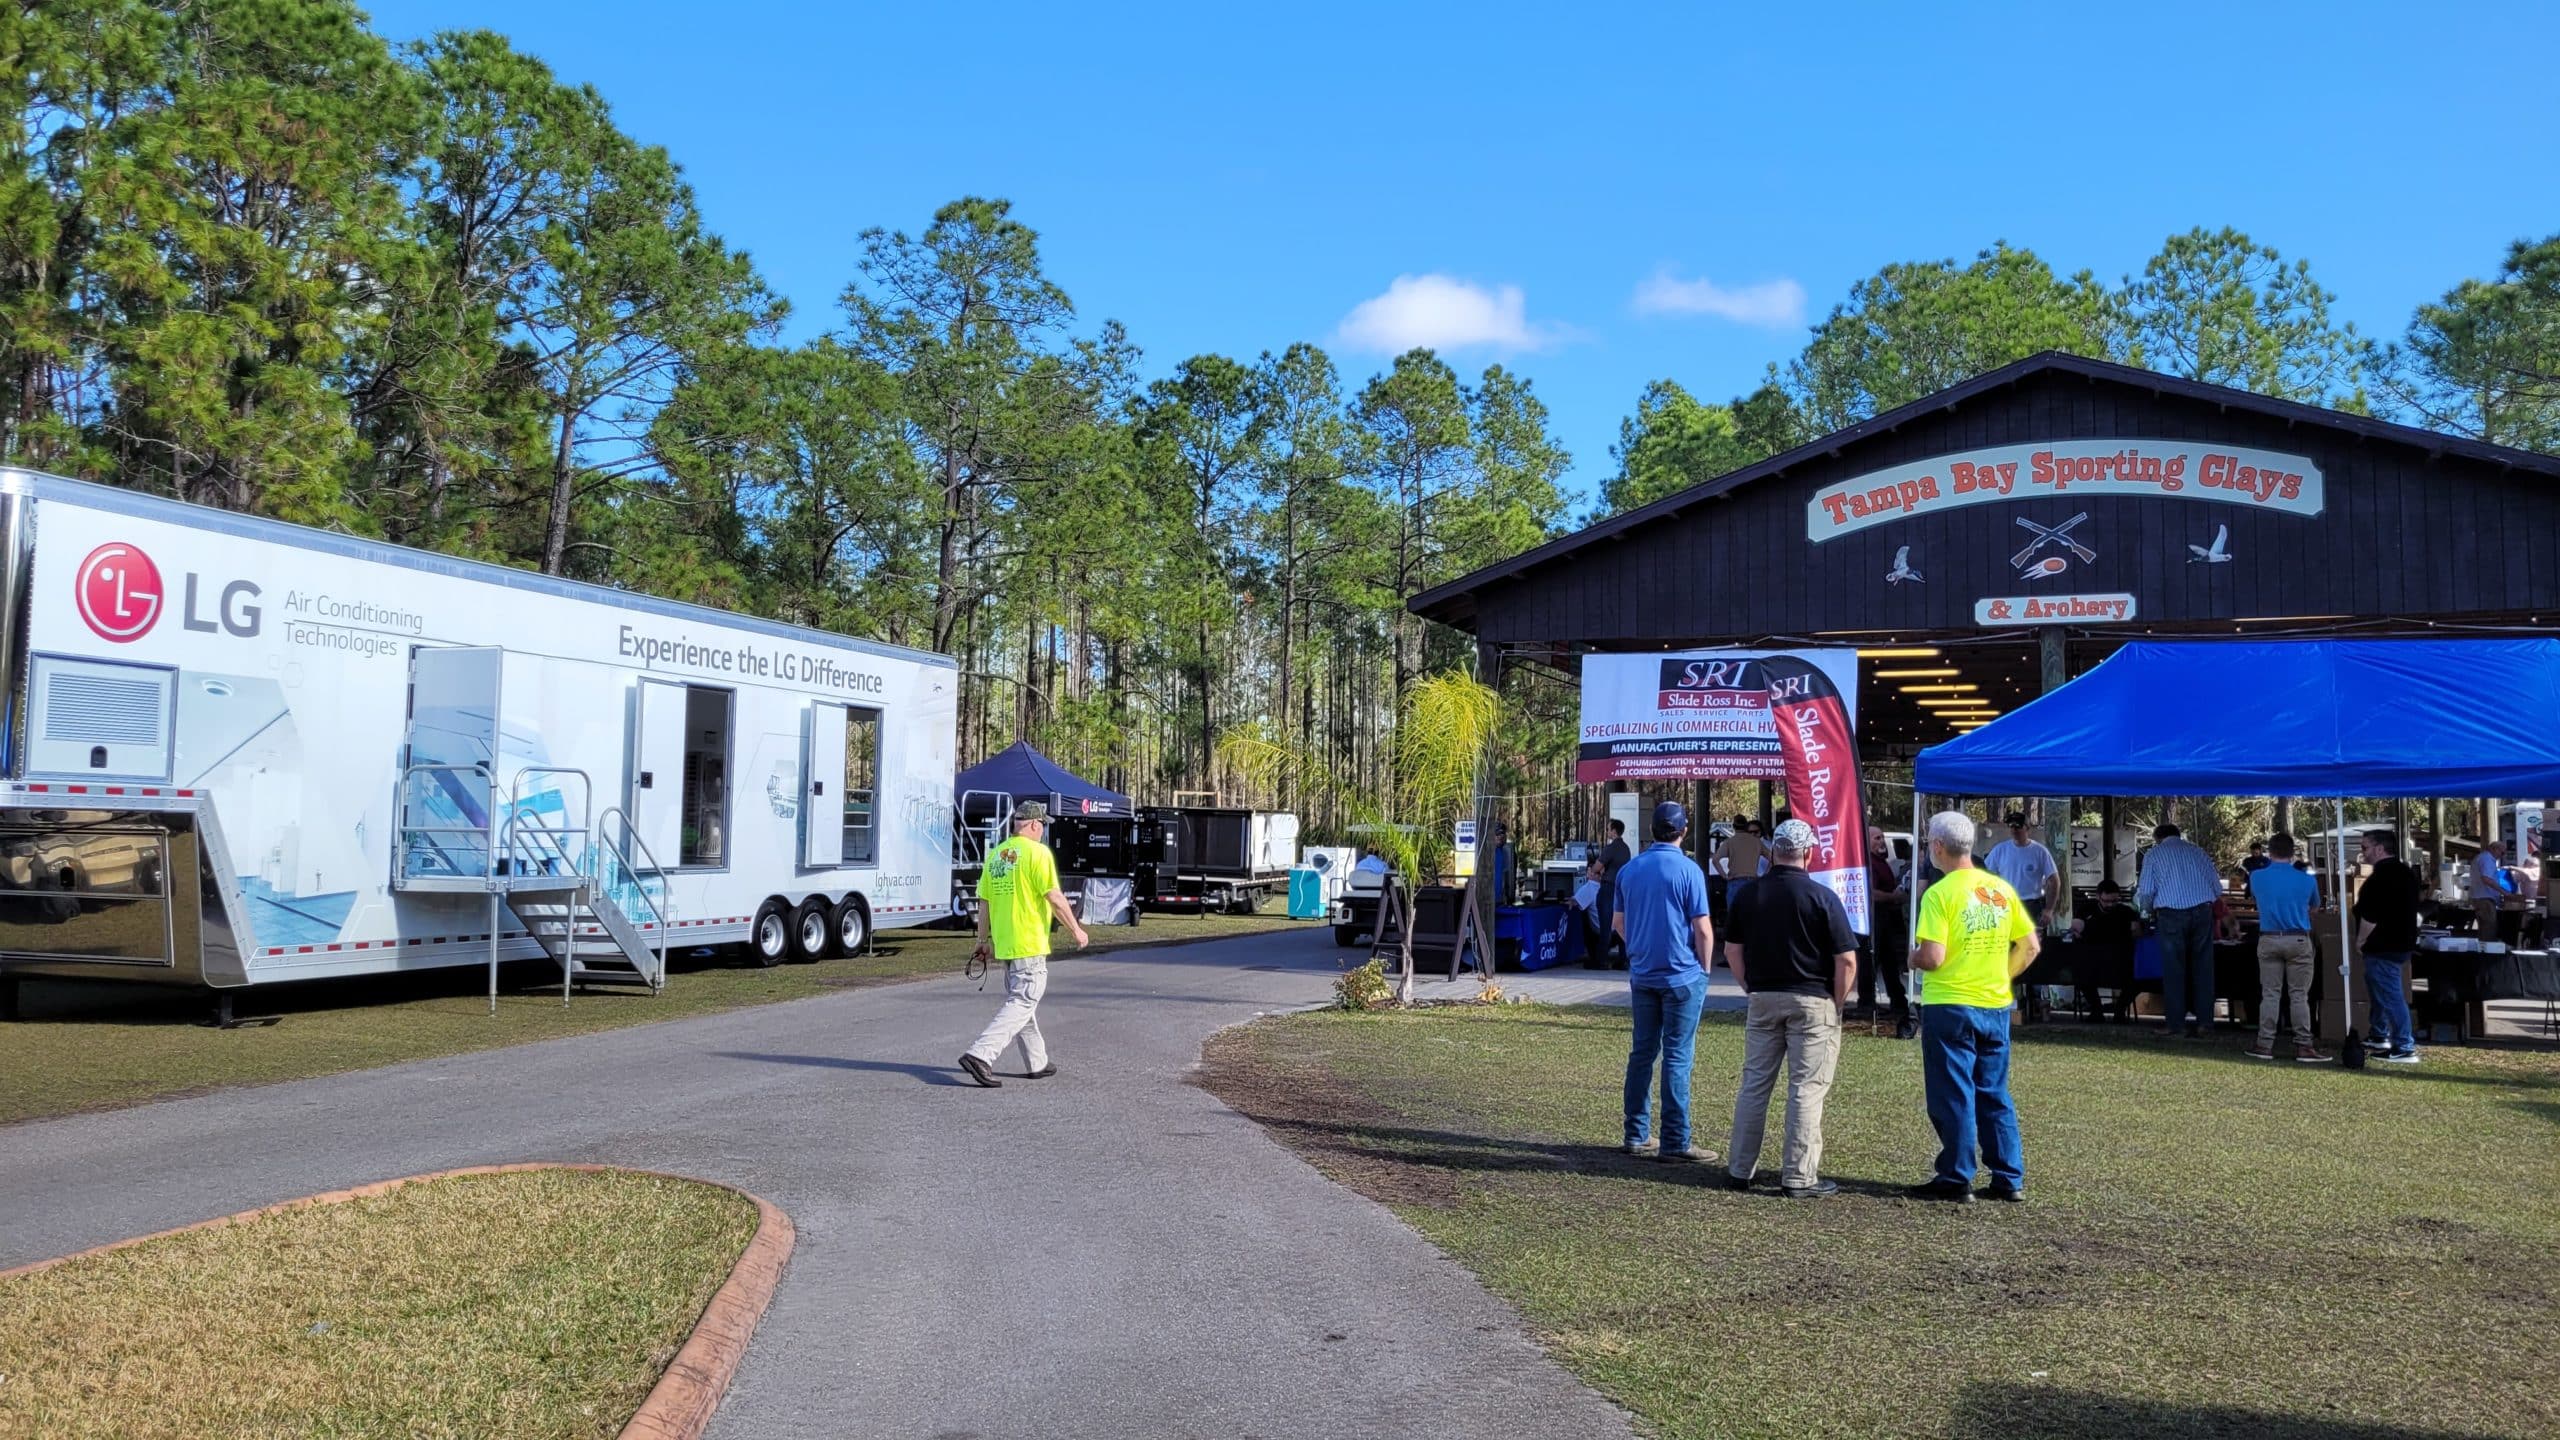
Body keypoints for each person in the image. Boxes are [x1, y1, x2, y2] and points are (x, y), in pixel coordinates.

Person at [1908, 810, 2039, 1203]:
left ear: (1936, 847)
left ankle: (1956, 1175)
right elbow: (2031, 945)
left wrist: (1912, 958)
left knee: (1953, 1091)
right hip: (1994, 1004)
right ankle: (2007, 1176)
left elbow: (1932, 956)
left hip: (1950, 1003)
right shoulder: (1999, 890)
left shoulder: (1940, 893)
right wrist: (2002, 975)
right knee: (1993, 1091)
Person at [1722, 819, 1857, 1199]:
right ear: (1809, 853)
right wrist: (1838, 1001)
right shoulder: (1822, 897)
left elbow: (1732, 950)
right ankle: (1798, 1177)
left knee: (1754, 1085)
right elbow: (1846, 960)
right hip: (1813, 1001)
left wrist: (1750, 986)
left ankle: (1739, 1169)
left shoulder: (1749, 895)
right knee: (1806, 1089)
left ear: (1774, 852)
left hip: (1763, 998)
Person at [1613, 802, 1718, 1165]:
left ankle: (1636, 1134)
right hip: (1682, 975)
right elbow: (1703, 929)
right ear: (1683, 831)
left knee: (1642, 1054)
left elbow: (1617, 923)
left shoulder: (1629, 870)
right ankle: (1675, 1140)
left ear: (1651, 831)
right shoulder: (1689, 871)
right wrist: (1704, 970)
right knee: (1677, 1056)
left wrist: (1639, 950)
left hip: (1643, 976)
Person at [959, 801, 1088, 1087]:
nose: (1043, 831)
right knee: (1023, 1000)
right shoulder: (1037, 853)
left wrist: (983, 941)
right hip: (1029, 942)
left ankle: (1036, 1062)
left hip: (1006, 943)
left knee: (1021, 1002)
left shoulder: (995, 856)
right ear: (1033, 824)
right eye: (1042, 825)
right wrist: (1077, 930)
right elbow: (1054, 897)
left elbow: (984, 903)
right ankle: (981, 1054)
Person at [2135, 822, 2224, 1039]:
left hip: (2171, 914)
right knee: (2203, 969)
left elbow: (2146, 892)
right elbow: (2217, 887)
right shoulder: (2198, 851)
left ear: (2157, 838)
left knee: (2174, 970)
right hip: (2202, 911)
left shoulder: (2154, 854)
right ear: (2178, 835)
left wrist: (2145, 911)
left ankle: (2176, 1024)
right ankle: (2205, 1023)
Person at [2246, 834, 2327, 1062]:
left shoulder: (2257, 877)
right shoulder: (2307, 880)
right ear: (2293, 853)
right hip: (2298, 938)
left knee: (2270, 993)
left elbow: (2256, 899)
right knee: (2299, 995)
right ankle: (2304, 1045)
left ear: (2269, 852)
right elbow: (2314, 908)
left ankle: (2264, 1044)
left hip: (2269, 937)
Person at [2354, 829, 2422, 1063]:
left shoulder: (2380, 877)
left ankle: (2404, 1044)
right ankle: (2379, 1033)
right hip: (2402, 940)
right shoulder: (2406, 872)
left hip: (2383, 943)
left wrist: (2361, 940)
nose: (2362, 853)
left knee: (2390, 994)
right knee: (2379, 989)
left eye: (2365, 848)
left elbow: (2370, 915)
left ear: (2379, 849)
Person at [1856, 827, 1911, 1027]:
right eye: (1877, 838)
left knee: (1889, 963)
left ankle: (1898, 1001)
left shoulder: (1881, 862)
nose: (1882, 842)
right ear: (1867, 841)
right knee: (1871, 960)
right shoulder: (1869, 864)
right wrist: (1894, 897)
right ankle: (1866, 1003)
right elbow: (1870, 893)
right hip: (1875, 919)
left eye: (1882, 838)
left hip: (1887, 919)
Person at [2070, 879, 2141, 1020]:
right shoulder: (2086, 909)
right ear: (2098, 897)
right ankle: (2097, 1010)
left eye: (2114, 901)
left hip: (2121, 961)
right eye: (2106, 901)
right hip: (2092, 962)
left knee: (2139, 977)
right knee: (2079, 973)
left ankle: (2119, 1011)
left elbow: (2137, 932)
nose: (2110, 905)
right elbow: (2076, 928)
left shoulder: (2127, 912)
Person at [1985, 810, 2062, 927]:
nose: (2014, 829)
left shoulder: (2040, 851)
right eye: (2011, 826)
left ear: (2027, 828)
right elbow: (1984, 875)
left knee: (2031, 944)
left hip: (2031, 907)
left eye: (2018, 826)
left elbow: (2054, 881)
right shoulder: (1999, 850)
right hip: (2005, 906)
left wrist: (2049, 909)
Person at [1597, 818, 1633, 949]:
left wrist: (1596, 870)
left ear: (1614, 831)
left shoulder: (1611, 848)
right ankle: (1623, 958)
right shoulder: (1626, 849)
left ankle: (1602, 959)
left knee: (1605, 923)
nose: (1607, 832)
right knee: (1621, 922)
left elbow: (1597, 866)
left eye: (1608, 829)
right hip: (1622, 888)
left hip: (1608, 887)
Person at [1489, 822, 1513, 905]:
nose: (1500, 837)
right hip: (1488, 898)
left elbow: (1507, 875)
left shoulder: (1506, 852)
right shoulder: (1487, 852)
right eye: (1498, 834)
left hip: (1500, 899)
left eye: (1503, 834)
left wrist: (1507, 895)